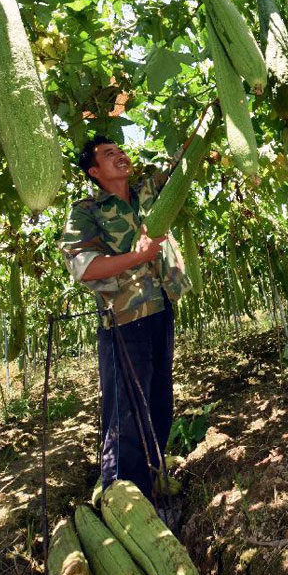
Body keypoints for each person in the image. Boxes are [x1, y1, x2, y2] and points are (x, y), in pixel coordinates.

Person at [57, 134, 192, 506]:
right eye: (108, 153)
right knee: (126, 414)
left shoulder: (148, 189)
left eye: (120, 149)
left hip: (161, 308)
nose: (120, 155)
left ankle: (152, 478)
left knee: (160, 401)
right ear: (94, 171)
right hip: (123, 321)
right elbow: (84, 268)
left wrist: (210, 115)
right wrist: (137, 256)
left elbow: (184, 159)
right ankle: (124, 503)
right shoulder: (86, 210)